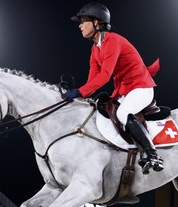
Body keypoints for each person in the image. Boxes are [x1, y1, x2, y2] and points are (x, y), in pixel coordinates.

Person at [63, 2, 164, 174]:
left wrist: (79, 92)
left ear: (97, 23)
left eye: (83, 21)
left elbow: (104, 76)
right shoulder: (95, 49)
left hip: (141, 87)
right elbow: (93, 78)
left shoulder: (113, 41)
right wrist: (82, 95)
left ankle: (153, 154)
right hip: (125, 90)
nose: (80, 26)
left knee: (122, 114)